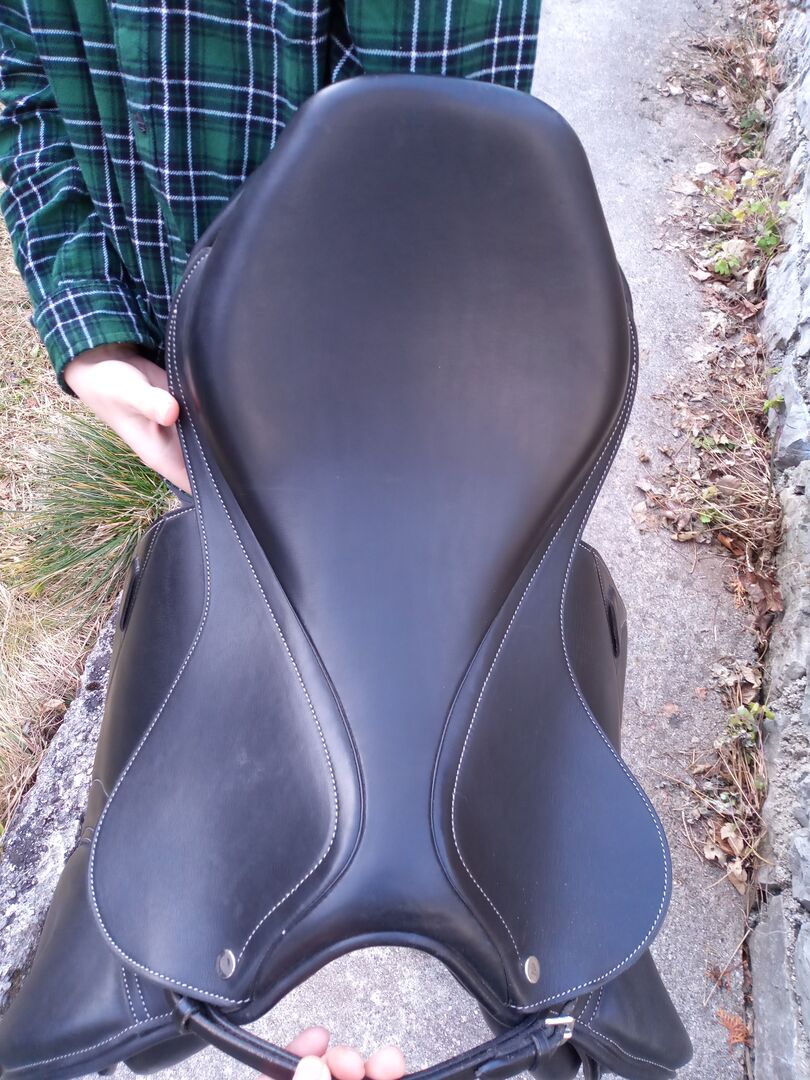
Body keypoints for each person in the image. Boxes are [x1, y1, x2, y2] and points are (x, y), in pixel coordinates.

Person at [0, 0, 543, 1066]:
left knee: (419, 635)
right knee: (242, 616)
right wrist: (88, 319)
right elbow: (16, 76)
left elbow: (436, 138)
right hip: (176, 348)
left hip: (380, 372)